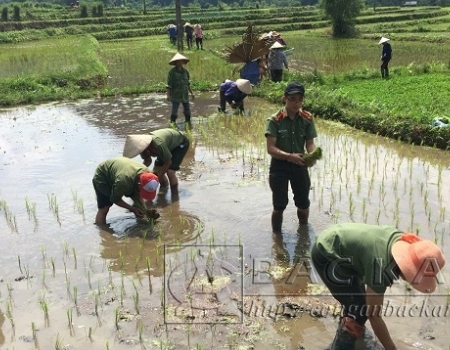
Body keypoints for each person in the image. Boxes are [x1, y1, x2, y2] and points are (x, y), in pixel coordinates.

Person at [311, 223, 446, 350]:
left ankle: (353, 331)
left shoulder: (400, 243)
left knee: (357, 304)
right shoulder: (382, 268)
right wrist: (392, 349)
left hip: (342, 243)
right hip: (327, 254)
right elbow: (374, 315)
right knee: (359, 309)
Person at [265, 82, 317, 232]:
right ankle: (277, 238)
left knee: (303, 204)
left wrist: (312, 155)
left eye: (300, 99)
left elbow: (310, 144)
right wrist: (289, 156)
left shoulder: (307, 118)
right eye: (292, 99)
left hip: (299, 164)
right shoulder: (275, 120)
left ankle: (303, 231)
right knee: (279, 205)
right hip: (279, 166)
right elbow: (271, 148)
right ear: (284, 99)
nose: (296, 103)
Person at [92, 157, 159, 225]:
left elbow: (138, 194)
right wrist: (132, 208)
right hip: (103, 176)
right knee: (105, 208)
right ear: (139, 184)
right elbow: (115, 199)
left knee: (139, 202)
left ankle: (141, 222)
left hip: (123, 173)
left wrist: (146, 211)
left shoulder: (148, 174)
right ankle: (101, 230)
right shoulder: (123, 182)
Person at [123, 128, 190, 195]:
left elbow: (168, 162)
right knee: (156, 170)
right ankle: (164, 188)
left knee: (170, 172)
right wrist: (138, 173)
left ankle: (175, 196)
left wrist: (158, 178)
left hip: (180, 143)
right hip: (167, 146)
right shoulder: (141, 148)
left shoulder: (158, 144)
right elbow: (148, 161)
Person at [167, 53, 195, 124]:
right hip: (176, 95)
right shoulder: (172, 72)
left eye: (181, 61)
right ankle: (172, 124)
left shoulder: (185, 72)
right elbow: (169, 85)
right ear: (175, 62)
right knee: (174, 111)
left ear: (183, 62)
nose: (180, 62)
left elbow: (187, 84)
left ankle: (188, 124)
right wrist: (168, 95)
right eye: (178, 61)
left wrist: (192, 93)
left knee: (187, 111)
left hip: (184, 94)